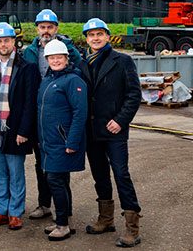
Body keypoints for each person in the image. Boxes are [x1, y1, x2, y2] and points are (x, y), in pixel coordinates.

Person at [78, 18, 142, 248]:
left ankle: (132, 227)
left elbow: (134, 94)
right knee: (99, 174)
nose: (95, 38)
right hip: (91, 130)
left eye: (99, 34)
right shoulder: (82, 62)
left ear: (107, 36)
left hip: (114, 129)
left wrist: (121, 121)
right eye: (91, 35)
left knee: (121, 174)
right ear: (86, 38)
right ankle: (105, 219)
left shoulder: (123, 61)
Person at [0, 23, 39, 231]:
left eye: (6, 40)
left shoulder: (27, 67)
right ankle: (0, 211)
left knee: (16, 173)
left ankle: (15, 213)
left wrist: (24, 131)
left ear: (13, 41)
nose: (2, 44)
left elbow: (30, 102)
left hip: (15, 130)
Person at [23, 8, 81, 220]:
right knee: (41, 164)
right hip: (39, 115)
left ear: (56, 28)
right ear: (37, 28)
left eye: (50, 27)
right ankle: (44, 203)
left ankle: (64, 212)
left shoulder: (69, 51)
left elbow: (78, 72)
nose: (46, 31)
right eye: (42, 27)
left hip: (59, 115)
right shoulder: (29, 52)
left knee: (59, 168)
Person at [37, 39, 88, 241]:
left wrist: (72, 142)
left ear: (67, 58)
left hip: (63, 141)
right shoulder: (47, 80)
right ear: (47, 59)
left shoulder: (73, 81)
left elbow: (80, 113)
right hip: (49, 141)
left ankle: (63, 224)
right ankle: (66, 219)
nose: (56, 60)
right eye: (51, 57)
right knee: (60, 181)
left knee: (55, 180)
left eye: (59, 57)